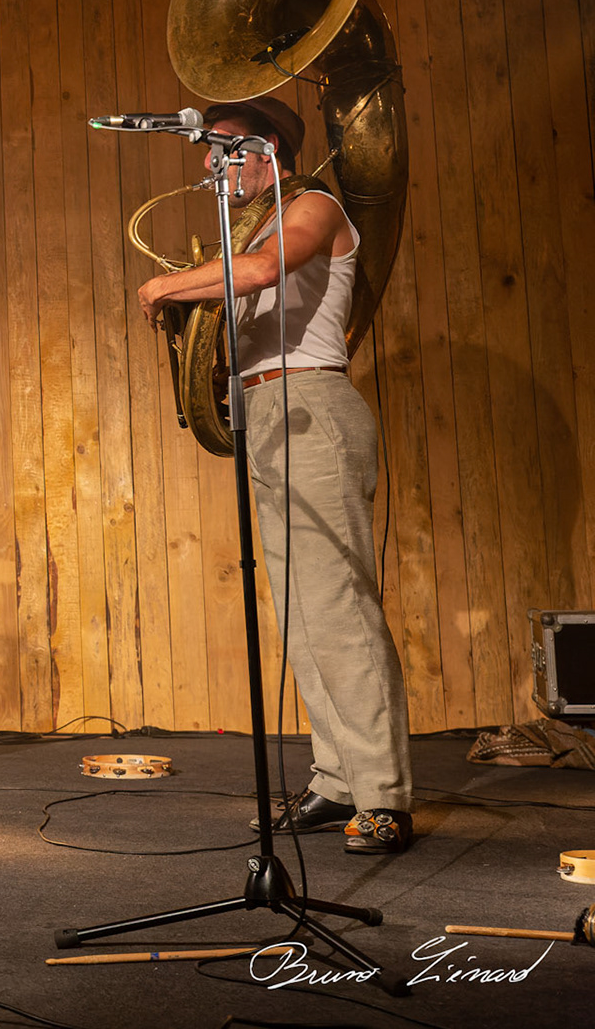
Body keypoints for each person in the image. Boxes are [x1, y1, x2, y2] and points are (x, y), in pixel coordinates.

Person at [136, 96, 414, 854]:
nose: (206, 164)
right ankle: (337, 778)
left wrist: (167, 287)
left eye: (221, 149)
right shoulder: (249, 225)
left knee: (339, 608)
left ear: (265, 149)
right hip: (266, 414)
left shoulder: (315, 205)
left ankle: (384, 794)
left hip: (312, 406)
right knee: (299, 609)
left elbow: (261, 270)